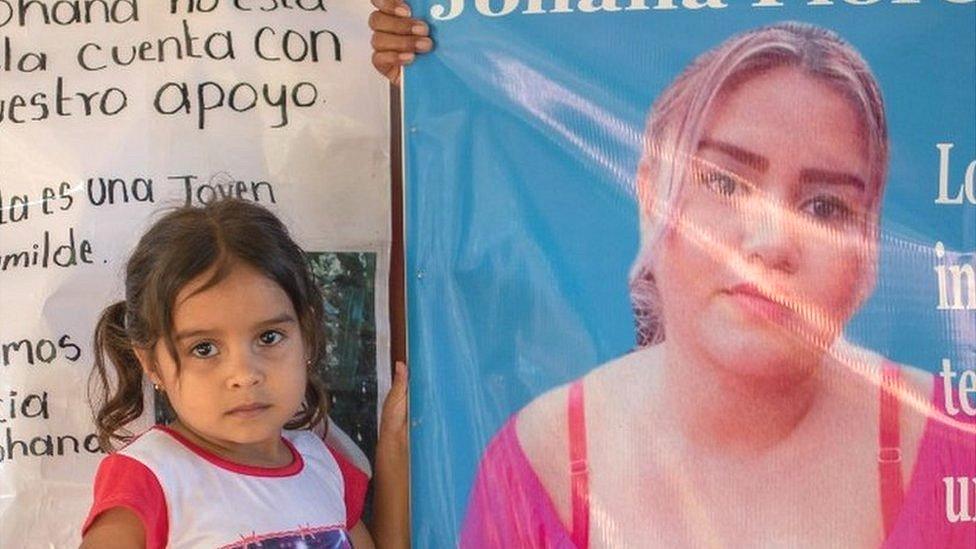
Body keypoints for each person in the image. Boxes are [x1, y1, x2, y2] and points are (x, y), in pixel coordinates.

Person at [369, 13, 976, 548]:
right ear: (651, 197)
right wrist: (439, 53)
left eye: (824, 208)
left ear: (869, 248)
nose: (770, 243)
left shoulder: (956, 444)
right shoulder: (536, 463)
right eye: (725, 183)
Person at [79, 199, 404, 548]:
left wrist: (395, 449)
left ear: (306, 336)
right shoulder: (151, 476)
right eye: (204, 348)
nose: (244, 375)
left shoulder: (322, 465)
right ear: (151, 363)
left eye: (269, 337)